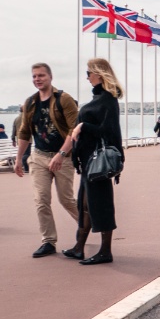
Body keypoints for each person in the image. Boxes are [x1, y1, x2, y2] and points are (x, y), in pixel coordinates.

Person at [56, 57, 125, 265]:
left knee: (101, 205)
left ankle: (105, 251)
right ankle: (79, 247)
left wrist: (82, 126)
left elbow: (108, 131)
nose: (86, 77)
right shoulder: (98, 100)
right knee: (85, 205)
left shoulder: (108, 100)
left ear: (99, 74)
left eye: (88, 73)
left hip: (98, 162)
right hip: (88, 161)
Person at [15, 62, 80, 258]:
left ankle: (87, 225)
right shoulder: (30, 103)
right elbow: (25, 131)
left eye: (41, 75)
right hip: (39, 157)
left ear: (50, 77)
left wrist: (61, 154)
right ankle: (48, 241)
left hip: (63, 157)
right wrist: (19, 159)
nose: (37, 79)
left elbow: (74, 129)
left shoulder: (64, 99)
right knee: (41, 200)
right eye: (34, 76)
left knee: (66, 200)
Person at [12, 106, 29, 173]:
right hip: (28, 139)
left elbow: (14, 130)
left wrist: (13, 139)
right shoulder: (27, 118)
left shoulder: (16, 119)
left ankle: (24, 166)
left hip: (19, 139)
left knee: (23, 153)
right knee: (27, 154)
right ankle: (26, 167)